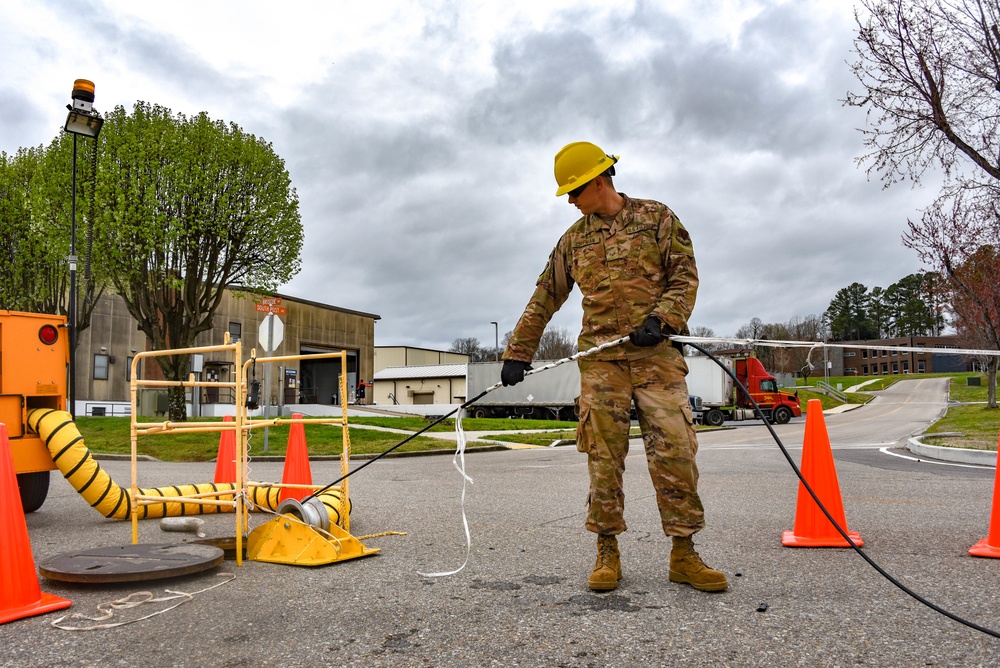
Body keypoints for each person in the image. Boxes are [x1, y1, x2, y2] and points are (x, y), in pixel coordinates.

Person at [500, 142, 726, 593]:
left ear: (598, 182)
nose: (569, 200)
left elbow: (685, 276)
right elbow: (546, 294)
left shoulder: (657, 218)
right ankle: (607, 550)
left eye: (574, 191)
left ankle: (684, 553)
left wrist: (663, 319)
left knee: (675, 452)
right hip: (601, 363)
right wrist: (518, 351)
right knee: (604, 460)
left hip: (656, 356)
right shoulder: (573, 240)